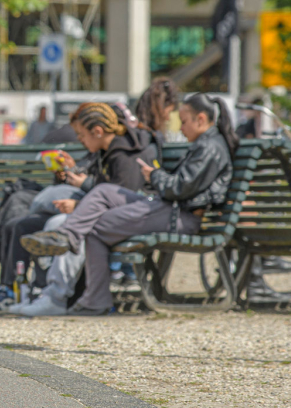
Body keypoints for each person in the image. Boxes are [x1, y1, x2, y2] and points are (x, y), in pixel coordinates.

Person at [20, 93, 236, 315]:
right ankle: (67, 236)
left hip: (179, 215)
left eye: (184, 122)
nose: (180, 128)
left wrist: (155, 176)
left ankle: (93, 296)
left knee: (93, 227)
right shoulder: (205, 144)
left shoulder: (209, 147)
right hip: (167, 208)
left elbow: (179, 188)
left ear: (200, 119)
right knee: (103, 191)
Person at [0, 103, 157, 314]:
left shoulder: (125, 155)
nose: (79, 139)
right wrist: (72, 171)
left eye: (82, 134)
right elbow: (100, 188)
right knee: (20, 225)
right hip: (91, 213)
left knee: (56, 224)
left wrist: (79, 202)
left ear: (97, 131)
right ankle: (19, 292)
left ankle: (53, 297)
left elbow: (121, 199)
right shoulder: (103, 151)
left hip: (116, 219)